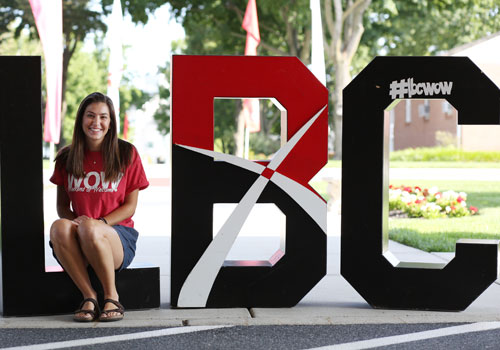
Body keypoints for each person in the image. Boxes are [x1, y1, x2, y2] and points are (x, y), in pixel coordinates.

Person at [49, 92, 149, 322]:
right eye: (90, 116)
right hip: (81, 233)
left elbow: (130, 207)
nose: (96, 123)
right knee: (58, 227)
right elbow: (63, 206)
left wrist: (98, 223)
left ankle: (112, 297)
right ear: (81, 119)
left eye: (103, 117)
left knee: (91, 229)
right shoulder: (67, 156)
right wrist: (77, 222)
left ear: (111, 121)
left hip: (117, 236)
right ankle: (89, 296)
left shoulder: (126, 153)